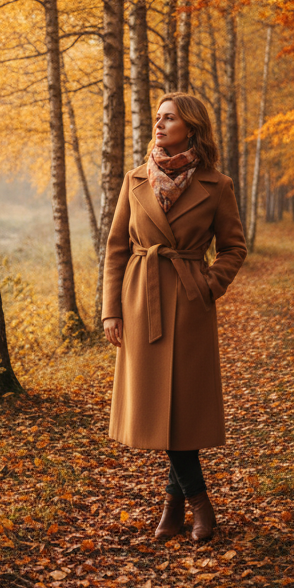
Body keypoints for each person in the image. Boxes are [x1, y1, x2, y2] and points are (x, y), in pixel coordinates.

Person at [102, 93, 247, 542]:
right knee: (158, 408)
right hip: (141, 303)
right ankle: (192, 503)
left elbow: (234, 247)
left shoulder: (216, 185)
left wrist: (208, 284)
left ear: (191, 127)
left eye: (170, 119)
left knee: (182, 406)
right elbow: (116, 248)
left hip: (188, 303)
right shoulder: (136, 178)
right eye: (159, 118)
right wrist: (110, 310)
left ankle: (178, 506)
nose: (160, 125)